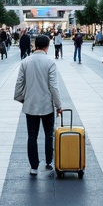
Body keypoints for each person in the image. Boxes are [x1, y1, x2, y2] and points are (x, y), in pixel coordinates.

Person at [13, 34, 62, 175]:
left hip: (31, 104)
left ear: (35, 45)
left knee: (32, 135)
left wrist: (22, 98)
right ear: (47, 46)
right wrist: (58, 105)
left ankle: (34, 166)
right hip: (47, 105)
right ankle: (49, 161)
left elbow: (19, 83)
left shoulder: (26, 61)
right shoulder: (50, 62)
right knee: (48, 134)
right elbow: (53, 86)